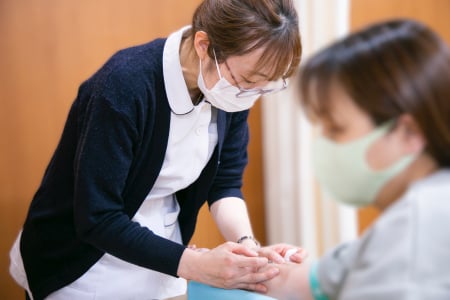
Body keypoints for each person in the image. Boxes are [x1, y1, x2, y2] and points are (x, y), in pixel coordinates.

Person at [8, 1, 303, 299]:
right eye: (247, 81)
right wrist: (198, 265)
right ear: (204, 45)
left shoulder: (230, 92)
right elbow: (98, 217)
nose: (250, 96)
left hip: (160, 249)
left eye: (264, 87)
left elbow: (224, 182)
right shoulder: (123, 86)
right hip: (81, 259)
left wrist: (248, 248)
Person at [262, 19, 450, 300]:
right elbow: (331, 273)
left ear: (410, 132)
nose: (324, 144)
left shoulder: (416, 228)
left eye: (336, 128)